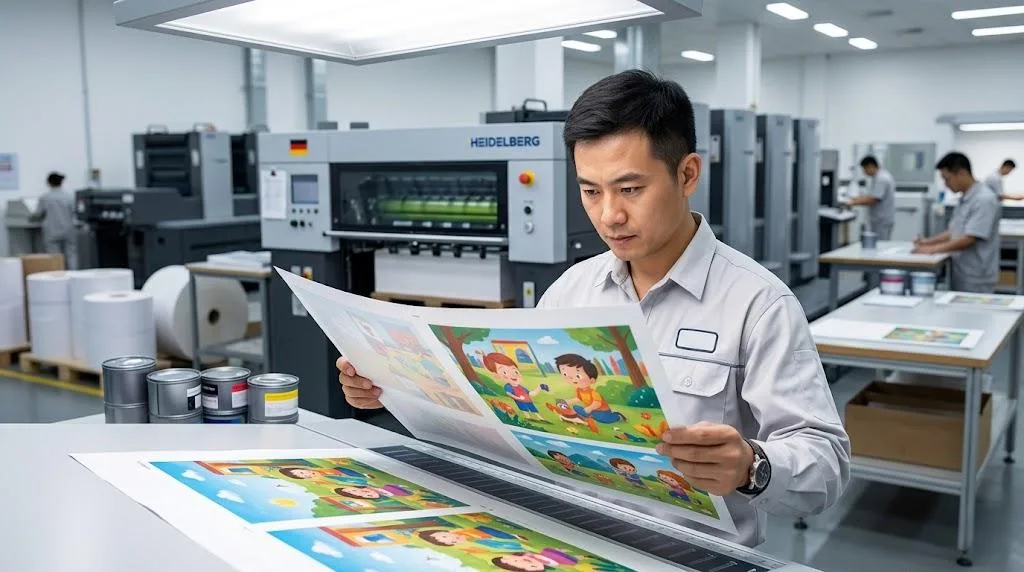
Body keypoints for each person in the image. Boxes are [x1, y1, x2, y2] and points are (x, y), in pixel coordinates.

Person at [336, 70, 851, 547]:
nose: (609, 215)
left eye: (630, 189)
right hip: (569, 544)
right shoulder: (572, 291)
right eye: (590, 191)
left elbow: (825, 464)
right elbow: (505, 419)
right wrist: (390, 388)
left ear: (687, 173)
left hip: (688, 556)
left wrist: (751, 466)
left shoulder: (757, 304)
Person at [913, 152, 1001, 293]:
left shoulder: (984, 199)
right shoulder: (965, 198)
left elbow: (970, 238)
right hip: (961, 270)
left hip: (976, 275)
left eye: (947, 179)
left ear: (961, 173)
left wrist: (931, 250)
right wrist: (927, 242)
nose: (946, 184)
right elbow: (954, 231)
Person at [32, 171, 78, 269]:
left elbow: (38, 214)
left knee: (54, 257)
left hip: (52, 231)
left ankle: (57, 275)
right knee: (71, 254)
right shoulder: (69, 196)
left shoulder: (45, 197)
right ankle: (73, 273)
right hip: (68, 230)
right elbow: (75, 212)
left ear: (49, 183)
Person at [844, 156, 896, 240]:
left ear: (871, 166)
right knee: (877, 242)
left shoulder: (882, 179)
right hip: (879, 219)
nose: (864, 172)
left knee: (881, 244)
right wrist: (855, 198)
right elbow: (871, 196)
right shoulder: (878, 177)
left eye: (865, 169)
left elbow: (874, 200)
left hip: (882, 220)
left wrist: (852, 202)